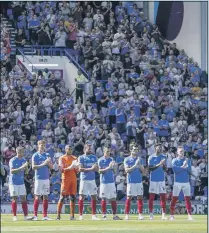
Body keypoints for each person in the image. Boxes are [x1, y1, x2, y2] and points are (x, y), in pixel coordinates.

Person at [8, 147, 33, 221]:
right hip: (13, 182)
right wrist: (22, 167)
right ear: (17, 151)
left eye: (23, 151)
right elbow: (12, 171)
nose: (22, 153)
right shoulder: (12, 160)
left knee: (23, 199)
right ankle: (14, 216)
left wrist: (27, 168)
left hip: (21, 182)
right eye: (21, 151)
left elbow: (26, 173)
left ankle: (26, 216)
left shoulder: (24, 160)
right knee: (14, 199)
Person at [98, 147, 122, 220]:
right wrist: (108, 167)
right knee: (103, 198)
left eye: (109, 151)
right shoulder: (100, 160)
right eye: (107, 151)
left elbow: (115, 172)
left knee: (113, 198)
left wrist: (115, 167)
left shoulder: (111, 159)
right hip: (104, 182)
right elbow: (100, 171)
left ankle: (114, 216)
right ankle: (104, 215)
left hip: (111, 182)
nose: (108, 153)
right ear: (104, 152)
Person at [78, 141, 100, 220]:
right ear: (84, 149)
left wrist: (94, 167)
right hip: (84, 179)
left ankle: (93, 215)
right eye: (88, 148)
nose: (90, 149)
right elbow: (80, 169)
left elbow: (97, 168)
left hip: (92, 179)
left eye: (91, 148)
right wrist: (91, 168)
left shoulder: (94, 157)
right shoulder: (81, 157)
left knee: (94, 196)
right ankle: (80, 215)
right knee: (82, 196)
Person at [170, 146, 193, 221]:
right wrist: (183, 166)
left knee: (187, 199)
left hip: (186, 182)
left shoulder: (187, 160)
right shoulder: (174, 160)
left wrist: (185, 167)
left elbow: (189, 171)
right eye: (180, 151)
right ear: (177, 153)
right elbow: (175, 171)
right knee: (174, 199)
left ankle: (189, 215)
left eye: (183, 151)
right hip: (177, 182)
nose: (182, 152)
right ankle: (172, 215)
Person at [32, 140, 53, 221]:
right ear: (38, 145)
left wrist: (49, 163)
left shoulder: (47, 155)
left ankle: (45, 216)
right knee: (37, 196)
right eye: (41, 144)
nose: (42, 146)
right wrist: (44, 163)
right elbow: (33, 167)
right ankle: (35, 215)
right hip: (38, 178)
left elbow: (51, 167)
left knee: (45, 196)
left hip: (46, 178)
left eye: (44, 144)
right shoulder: (35, 155)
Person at [56, 145, 78, 220]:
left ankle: (72, 216)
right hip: (65, 180)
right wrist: (69, 168)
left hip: (73, 180)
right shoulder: (62, 158)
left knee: (72, 197)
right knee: (62, 197)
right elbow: (61, 170)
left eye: (71, 149)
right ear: (65, 150)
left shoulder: (75, 158)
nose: (70, 150)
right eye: (68, 149)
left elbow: (77, 171)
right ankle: (58, 216)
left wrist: (77, 167)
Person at [124, 145, 144, 220]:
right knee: (129, 197)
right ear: (131, 150)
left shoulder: (140, 159)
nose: (136, 151)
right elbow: (126, 170)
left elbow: (143, 171)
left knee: (140, 197)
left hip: (139, 181)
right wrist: (135, 165)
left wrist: (139, 166)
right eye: (134, 149)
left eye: (137, 149)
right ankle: (127, 214)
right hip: (131, 181)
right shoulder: (127, 159)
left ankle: (140, 214)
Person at [148, 143, 167, 220]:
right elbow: (150, 168)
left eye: (160, 148)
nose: (160, 149)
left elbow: (165, 169)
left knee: (163, 197)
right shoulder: (151, 157)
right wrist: (159, 164)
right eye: (158, 147)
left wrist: (164, 165)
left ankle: (163, 214)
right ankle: (151, 214)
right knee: (151, 197)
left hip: (161, 179)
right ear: (155, 148)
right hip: (153, 179)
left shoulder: (164, 156)